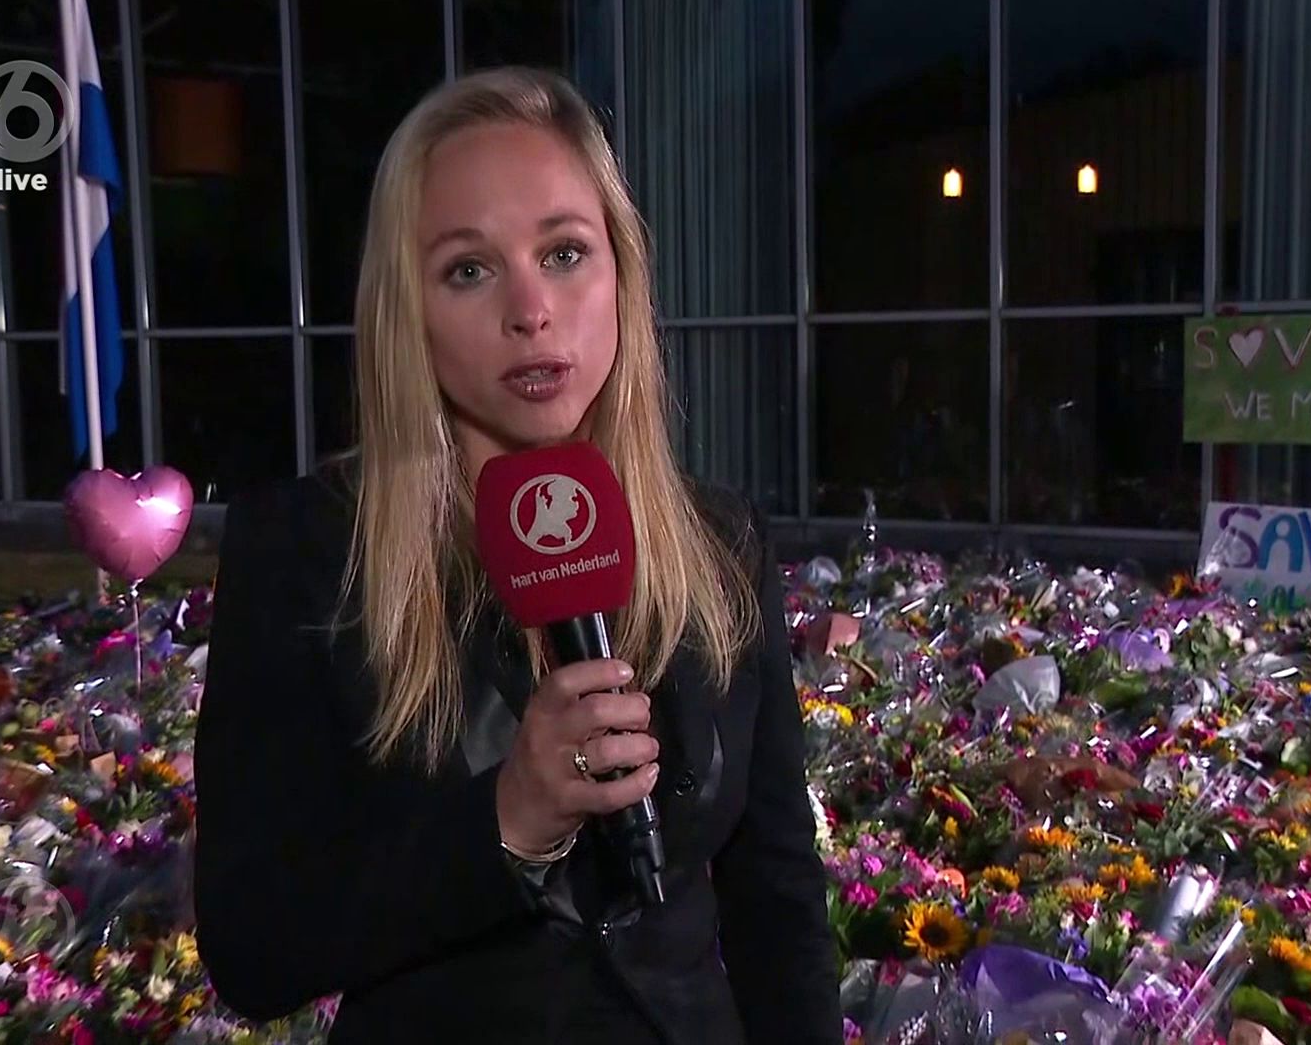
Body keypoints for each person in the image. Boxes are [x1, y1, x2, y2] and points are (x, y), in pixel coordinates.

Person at [193, 67, 842, 1043]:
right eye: (470, 269)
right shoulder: (306, 550)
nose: (531, 310)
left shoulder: (720, 541)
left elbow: (778, 907)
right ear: (406, 309)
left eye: (565, 253)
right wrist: (505, 823)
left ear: (621, 273)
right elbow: (252, 948)